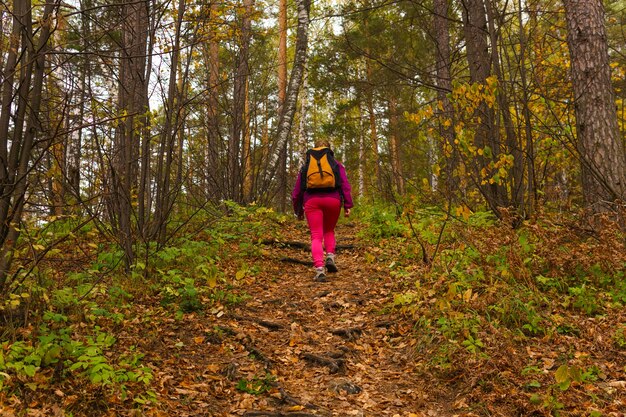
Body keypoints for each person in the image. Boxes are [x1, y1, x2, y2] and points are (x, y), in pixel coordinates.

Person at [292, 140, 353, 282]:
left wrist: (298, 210)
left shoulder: (306, 166)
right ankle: (330, 256)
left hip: (312, 202)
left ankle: (319, 269)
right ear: (329, 150)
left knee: (316, 236)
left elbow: (296, 192)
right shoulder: (336, 165)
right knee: (329, 230)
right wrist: (347, 205)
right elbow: (345, 185)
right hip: (333, 200)